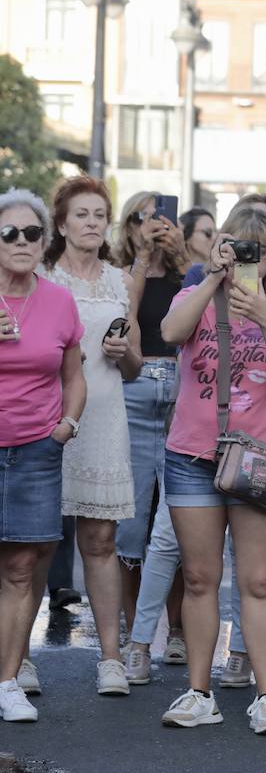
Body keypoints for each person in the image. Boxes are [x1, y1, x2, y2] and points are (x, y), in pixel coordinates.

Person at [158, 205, 266, 735]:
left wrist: (263, 314)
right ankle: (200, 692)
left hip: (258, 457)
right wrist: (210, 278)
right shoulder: (194, 296)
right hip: (192, 455)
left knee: (259, 581)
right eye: (238, 247)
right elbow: (170, 331)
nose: (248, 259)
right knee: (199, 577)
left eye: (258, 251)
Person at [38, 177, 141, 697]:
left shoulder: (123, 282)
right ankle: (19, 661)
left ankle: (110, 659)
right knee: (34, 545)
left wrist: (127, 356)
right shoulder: (39, 277)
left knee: (101, 541)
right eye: (81, 214)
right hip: (46, 418)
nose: (93, 222)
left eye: (101, 214)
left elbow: (137, 365)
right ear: (61, 224)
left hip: (105, 418)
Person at [0, 188, 86, 723]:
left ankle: (8, 680)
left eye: (32, 233)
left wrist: (66, 425)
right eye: (9, 233)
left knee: (21, 569)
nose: (22, 242)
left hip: (36, 447)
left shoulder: (58, 301)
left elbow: (73, 377)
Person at [113, 192, 192, 677]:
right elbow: (122, 318)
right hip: (135, 390)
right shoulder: (123, 272)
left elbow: (202, 307)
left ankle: (178, 631)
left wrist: (180, 252)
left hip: (182, 390)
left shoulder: (191, 270)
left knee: (183, 516)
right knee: (131, 521)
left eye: (163, 217)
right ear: (129, 225)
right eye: (146, 218)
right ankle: (131, 634)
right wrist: (144, 258)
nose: (156, 226)